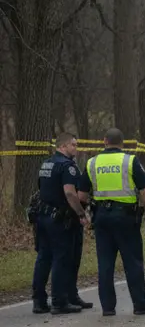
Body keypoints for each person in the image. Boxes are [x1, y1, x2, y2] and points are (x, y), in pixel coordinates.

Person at [86, 129, 145, 316]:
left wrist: (85, 215)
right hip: (126, 218)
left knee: (105, 264)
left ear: (104, 141)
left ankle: (108, 308)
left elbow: (80, 194)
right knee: (132, 262)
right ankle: (141, 304)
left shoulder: (92, 162)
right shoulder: (130, 161)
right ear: (123, 143)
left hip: (101, 217)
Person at [31, 133, 94, 315]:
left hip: (42, 217)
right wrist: (81, 214)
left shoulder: (46, 164)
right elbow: (70, 193)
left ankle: (40, 301)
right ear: (63, 146)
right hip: (60, 219)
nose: (76, 148)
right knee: (63, 258)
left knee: (44, 258)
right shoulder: (68, 166)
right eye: (73, 145)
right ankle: (60, 301)